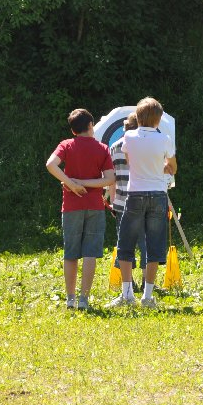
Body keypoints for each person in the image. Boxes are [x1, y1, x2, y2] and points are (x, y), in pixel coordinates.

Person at [108, 97, 177, 309]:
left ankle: (127, 294)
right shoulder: (165, 139)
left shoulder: (129, 137)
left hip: (135, 193)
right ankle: (147, 296)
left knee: (126, 242)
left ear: (138, 117)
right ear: (158, 119)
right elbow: (172, 168)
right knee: (154, 244)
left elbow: (131, 163)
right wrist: (160, 167)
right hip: (157, 194)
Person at [46, 108, 116, 310]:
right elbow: (110, 179)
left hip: (71, 206)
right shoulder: (102, 148)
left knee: (71, 253)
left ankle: (70, 299)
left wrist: (72, 183)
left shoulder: (66, 145)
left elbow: (51, 164)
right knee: (90, 253)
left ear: (73, 130)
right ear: (91, 125)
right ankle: (83, 299)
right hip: (94, 206)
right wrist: (83, 183)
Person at [106, 112, 147, 290]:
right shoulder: (145, 145)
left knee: (125, 244)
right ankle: (147, 282)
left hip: (122, 201)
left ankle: (129, 284)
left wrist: (113, 202)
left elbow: (111, 179)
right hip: (144, 200)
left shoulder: (114, 147)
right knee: (146, 242)